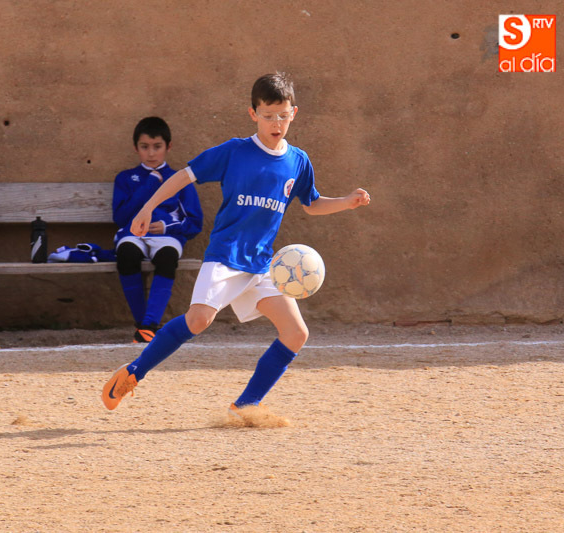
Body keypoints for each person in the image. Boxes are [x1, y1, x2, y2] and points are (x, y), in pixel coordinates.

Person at [102, 72, 371, 422]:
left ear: (294, 114)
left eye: (283, 115)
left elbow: (312, 203)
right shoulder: (234, 152)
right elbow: (184, 175)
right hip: (226, 255)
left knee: (296, 333)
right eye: (268, 115)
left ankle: (245, 405)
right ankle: (133, 372)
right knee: (198, 320)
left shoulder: (298, 161)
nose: (276, 123)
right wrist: (148, 207)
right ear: (253, 114)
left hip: (262, 264)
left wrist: (347, 202)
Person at [112, 117, 203, 343]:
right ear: (136, 148)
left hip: (167, 236)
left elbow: (195, 223)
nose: (151, 153)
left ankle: (149, 325)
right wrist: (150, 184)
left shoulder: (180, 179)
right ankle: (143, 325)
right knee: (126, 255)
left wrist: (166, 226)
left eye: (157, 146)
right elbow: (120, 217)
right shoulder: (125, 178)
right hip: (133, 235)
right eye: (144, 147)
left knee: (167, 258)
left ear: (168, 147)